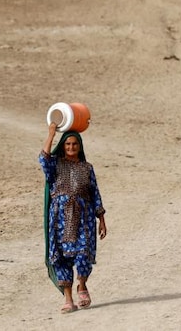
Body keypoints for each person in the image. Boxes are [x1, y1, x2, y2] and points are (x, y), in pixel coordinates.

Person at [39, 122, 107, 313]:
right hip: (59, 218)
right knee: (61, 258)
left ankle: (82, 285)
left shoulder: (87, 168)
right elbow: (43, 158)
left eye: (74, 144)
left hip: (84, 218)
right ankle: (68, 299)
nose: (71, 147)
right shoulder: (55, 165)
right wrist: (51, 134)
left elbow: (95, 193)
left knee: (84, 253)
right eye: (67, 144)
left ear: (80, 146)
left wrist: (101, 219)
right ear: (63, 145)